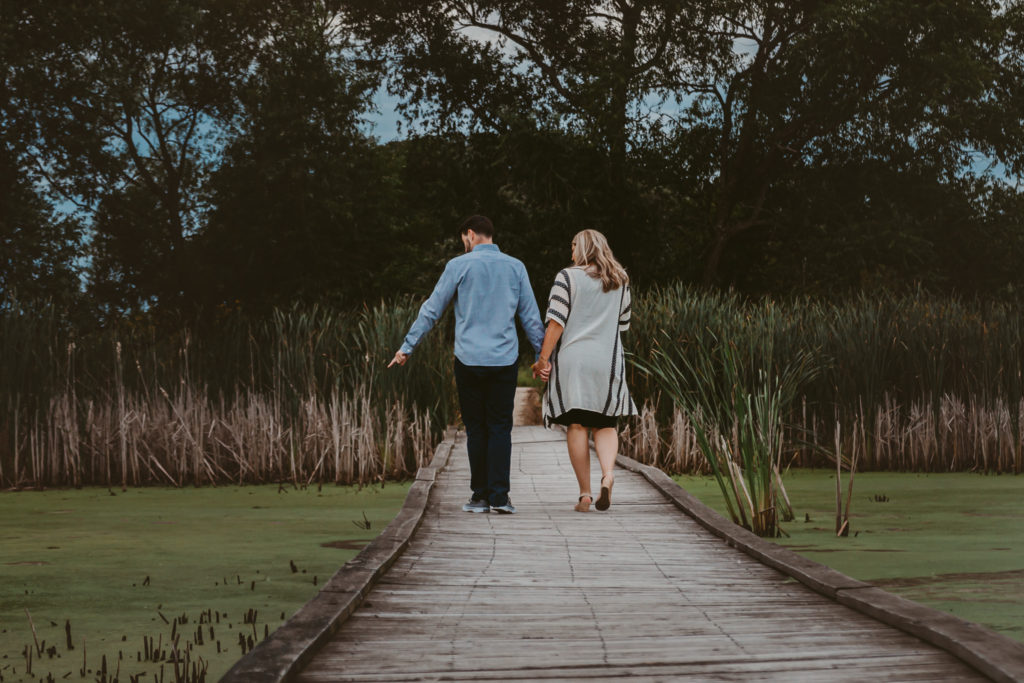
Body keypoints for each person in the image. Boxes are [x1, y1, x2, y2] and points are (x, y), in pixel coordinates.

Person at [389, 215, 544, 514]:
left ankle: (479, 496)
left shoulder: (458, 266)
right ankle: (500, 498)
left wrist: (407, 346)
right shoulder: (516, 267)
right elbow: (530, 318)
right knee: (500, 427)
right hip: (504, 360)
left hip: (469, 360)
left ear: (470, 235)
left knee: (476, 428)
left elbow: (432, 309)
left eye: (464, 239)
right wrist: (542, 358)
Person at [532, 229, 636, 512]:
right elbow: (622, 324)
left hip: (574, 361)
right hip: (608, 360)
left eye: (574, 246)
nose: (572, 252)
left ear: (585, 247)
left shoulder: (567, 277)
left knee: (577, 424)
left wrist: (543, 360)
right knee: (605, 423)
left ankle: (585, 495)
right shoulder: (620, 280)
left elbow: (556, 323)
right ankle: (608, 474)